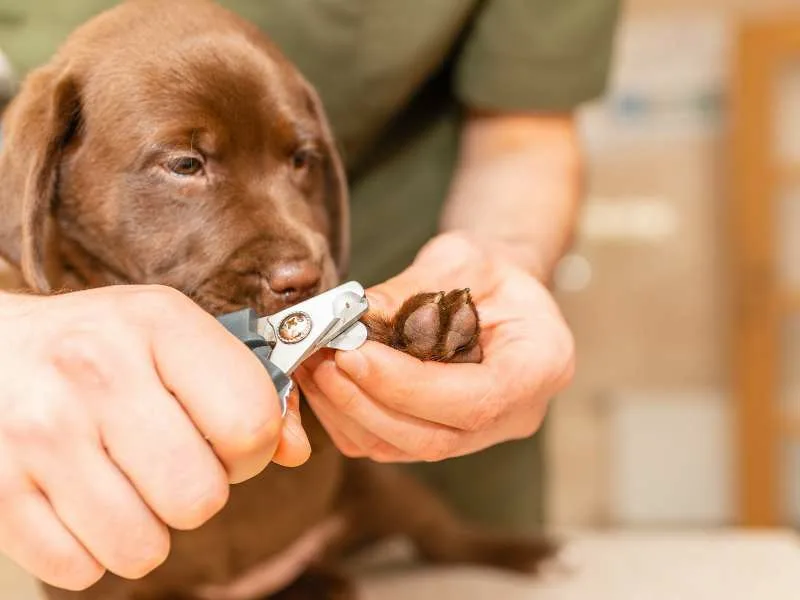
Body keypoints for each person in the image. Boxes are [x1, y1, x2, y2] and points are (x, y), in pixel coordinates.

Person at [0, 0, 621, 591]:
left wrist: (500, 263)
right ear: (44, 169)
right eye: (186, 165)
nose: (296, 257)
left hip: (380, 465)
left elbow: (522, 137)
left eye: (299, 161)